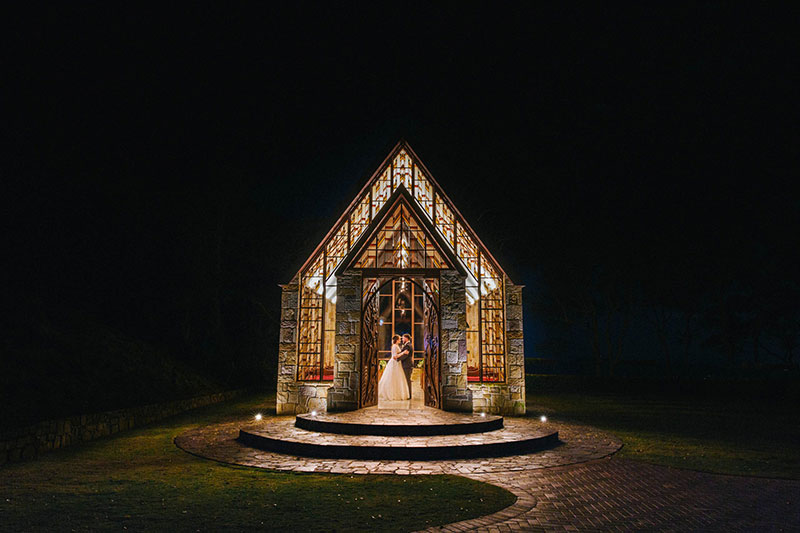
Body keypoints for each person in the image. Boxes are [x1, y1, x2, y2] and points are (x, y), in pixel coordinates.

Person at [378, 335, 410, 401]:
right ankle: (391, 393)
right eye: (399, 339)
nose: (400, 340)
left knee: (397, 378)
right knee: (393, 378)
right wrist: (403, 352)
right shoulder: (395, 346)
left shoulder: (395, 346)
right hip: (395, 363)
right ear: (396, 340)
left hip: (397, 363)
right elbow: (395, 357)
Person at [396, 333, 414, 400]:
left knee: (407, 380)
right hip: (406, 365)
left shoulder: (408, 346)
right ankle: (407, 394)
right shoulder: (407, 345)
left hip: (407, 365)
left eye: (403, 338)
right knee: (406, 380)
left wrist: (397, 359)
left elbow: (405, 356)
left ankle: (409, 395)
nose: (402, 339)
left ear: (406, 338)